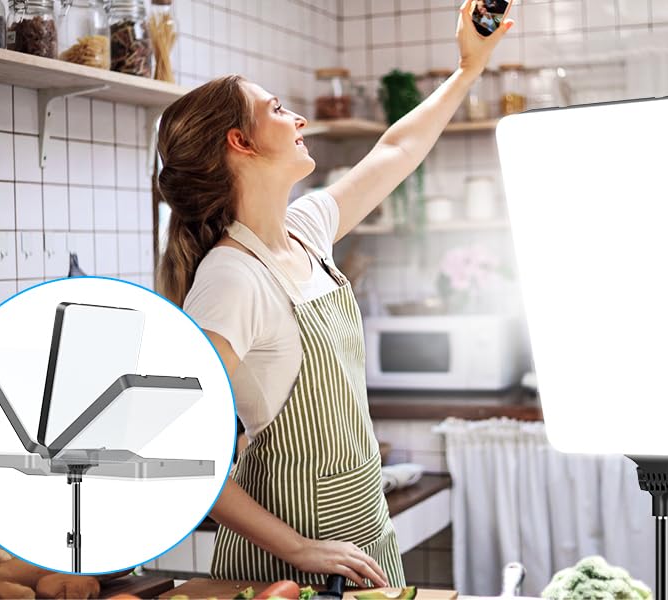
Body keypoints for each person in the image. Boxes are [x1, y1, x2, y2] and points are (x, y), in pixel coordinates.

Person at [154, 0, 514, 589]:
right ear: (240, 142)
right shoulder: (232, 279)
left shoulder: (306, 229)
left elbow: (396, 150)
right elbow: (176, 449)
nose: (298, 119)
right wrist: (299, 549)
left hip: (365, 534)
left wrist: (468, 68)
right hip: (288, 565)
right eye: (278, 110)